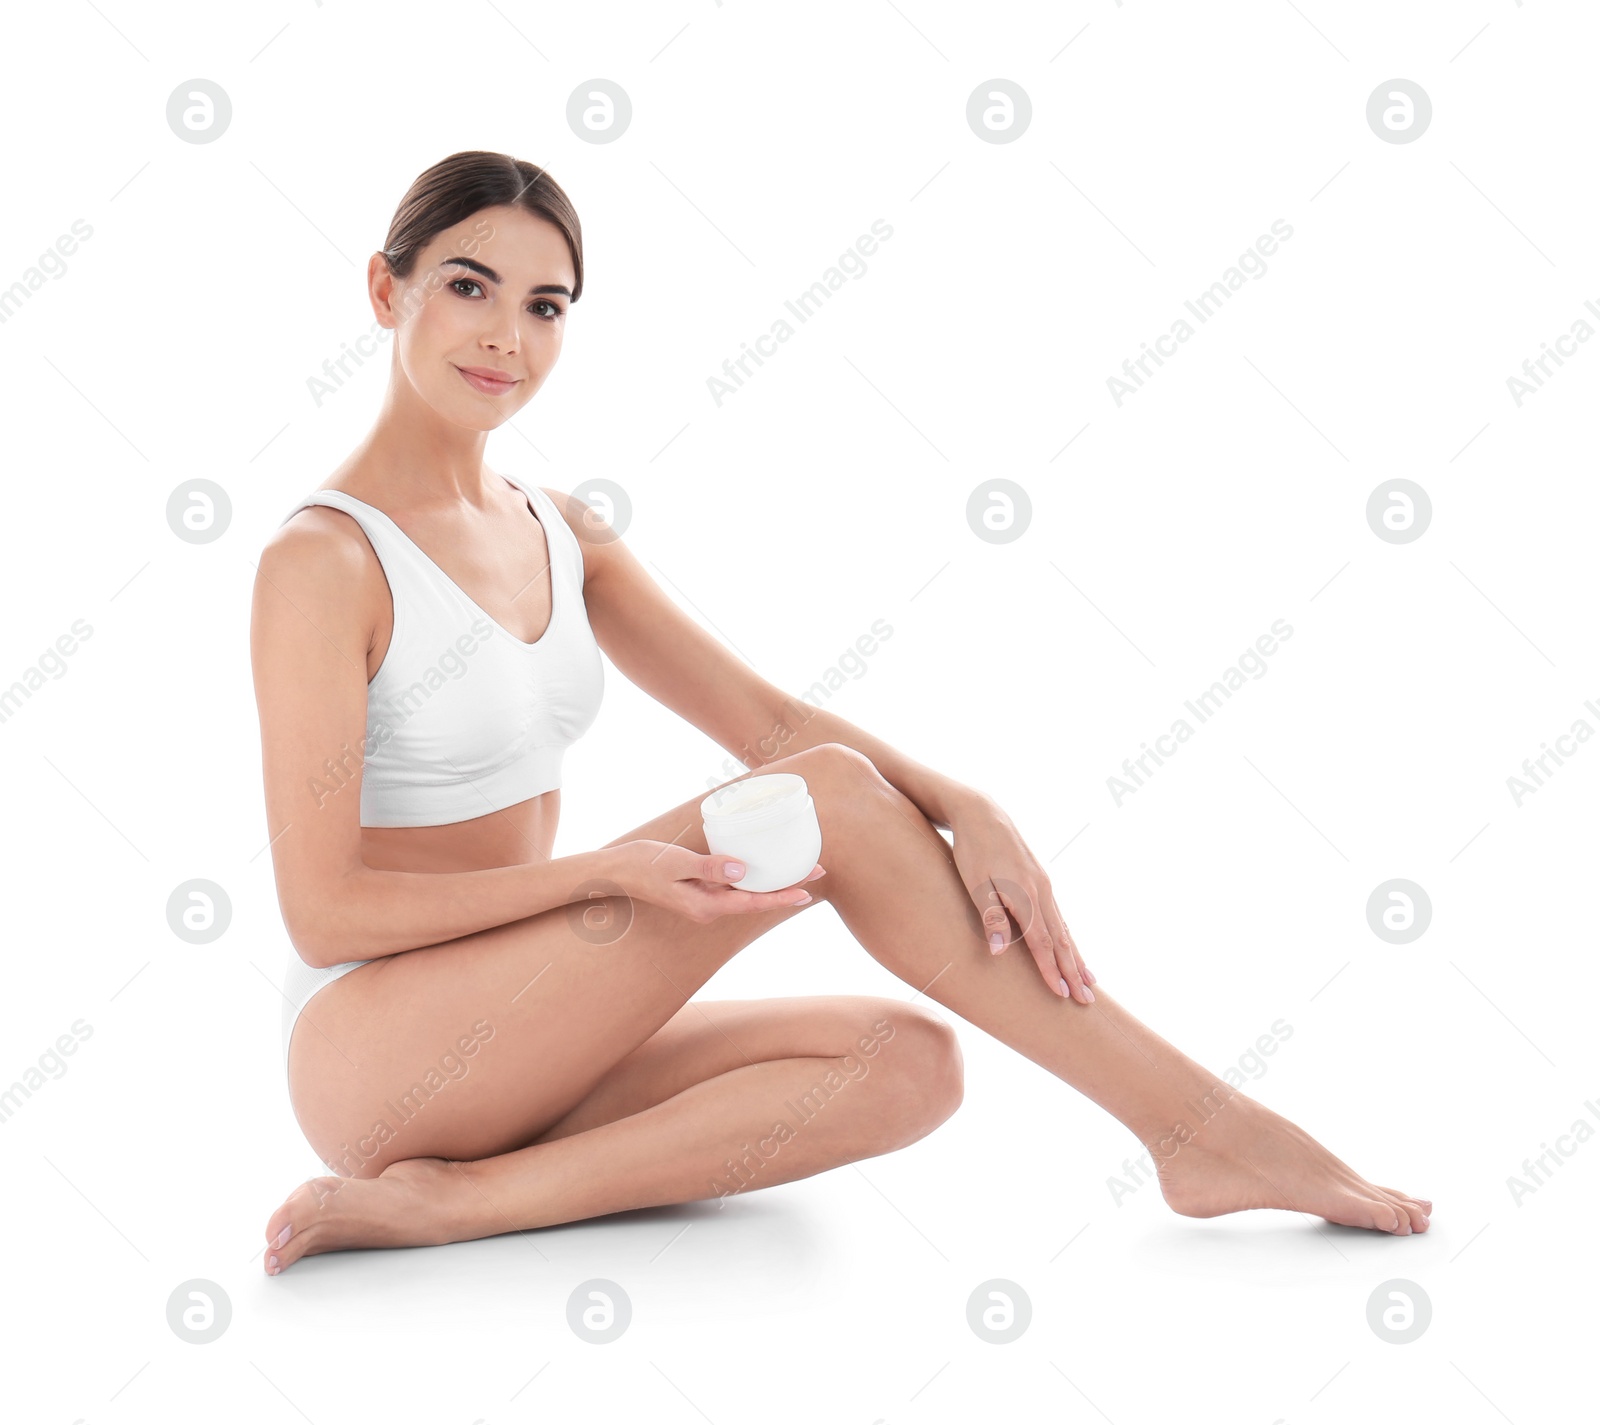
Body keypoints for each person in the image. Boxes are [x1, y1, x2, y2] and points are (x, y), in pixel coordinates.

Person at [252, 150, 1430, 1277]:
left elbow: (767, 722)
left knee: (907, 1063)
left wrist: (964, 804)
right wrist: (605, 877)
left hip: (522, 1029)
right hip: (376, 1053)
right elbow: (325, 911)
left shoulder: (561, 531)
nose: (508, 335)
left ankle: (464, 1198)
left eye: (546, 305)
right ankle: (1200, 1129)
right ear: (384, 288)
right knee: (822, 798)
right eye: (469, 287)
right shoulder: (325, 560)